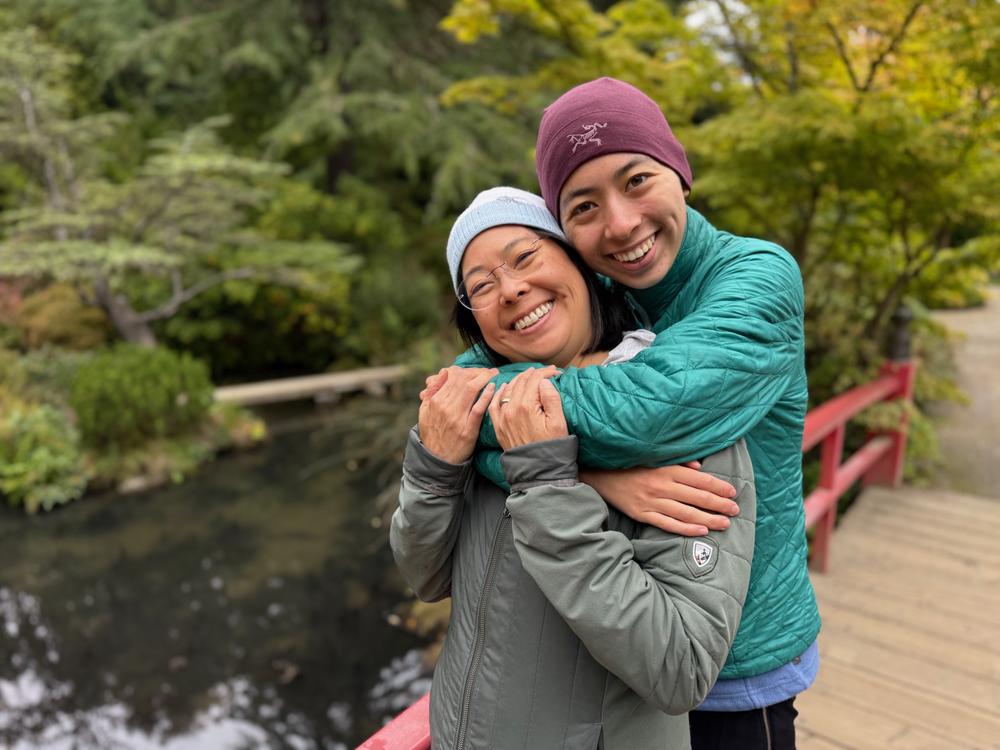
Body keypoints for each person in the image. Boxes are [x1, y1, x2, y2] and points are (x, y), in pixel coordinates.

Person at [459, 78, 820, 749]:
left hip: (736, 665)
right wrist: (589, 478)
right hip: (623, 665)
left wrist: (537, 456)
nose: (621, 224)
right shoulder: (596, 291)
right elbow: (453, 397)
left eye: (636, 181)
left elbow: (651, 411)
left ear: (679, 171)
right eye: (584, 206)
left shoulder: (756, 278)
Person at [391, 187, 757, 748]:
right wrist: (436, 467)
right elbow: (427, 575)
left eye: (525, 256)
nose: (510, 289)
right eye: (481, 287)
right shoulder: (478, 412)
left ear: (582, 266)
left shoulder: (679, 418)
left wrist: (549, 483)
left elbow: (681, 668)